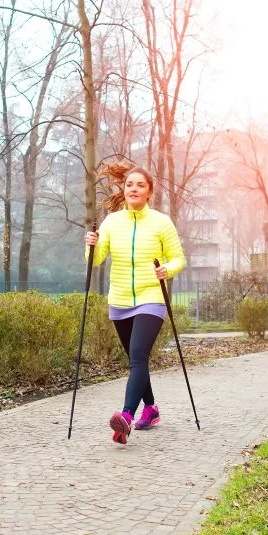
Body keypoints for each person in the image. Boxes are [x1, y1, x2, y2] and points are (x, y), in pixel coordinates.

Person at [84, 165, 186, 444]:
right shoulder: (112, 222)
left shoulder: (161, 222)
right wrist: (91, 245)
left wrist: (167, 269)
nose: (134, 189)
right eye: (130, 184)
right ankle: (150, 409)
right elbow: (96, 260)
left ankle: (126, 417)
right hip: (119, 300)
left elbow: (178, 258)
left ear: (149, 191)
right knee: (135, 360)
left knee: (138, 355)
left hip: (151, 298)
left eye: (140, 185)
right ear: (124, 189)